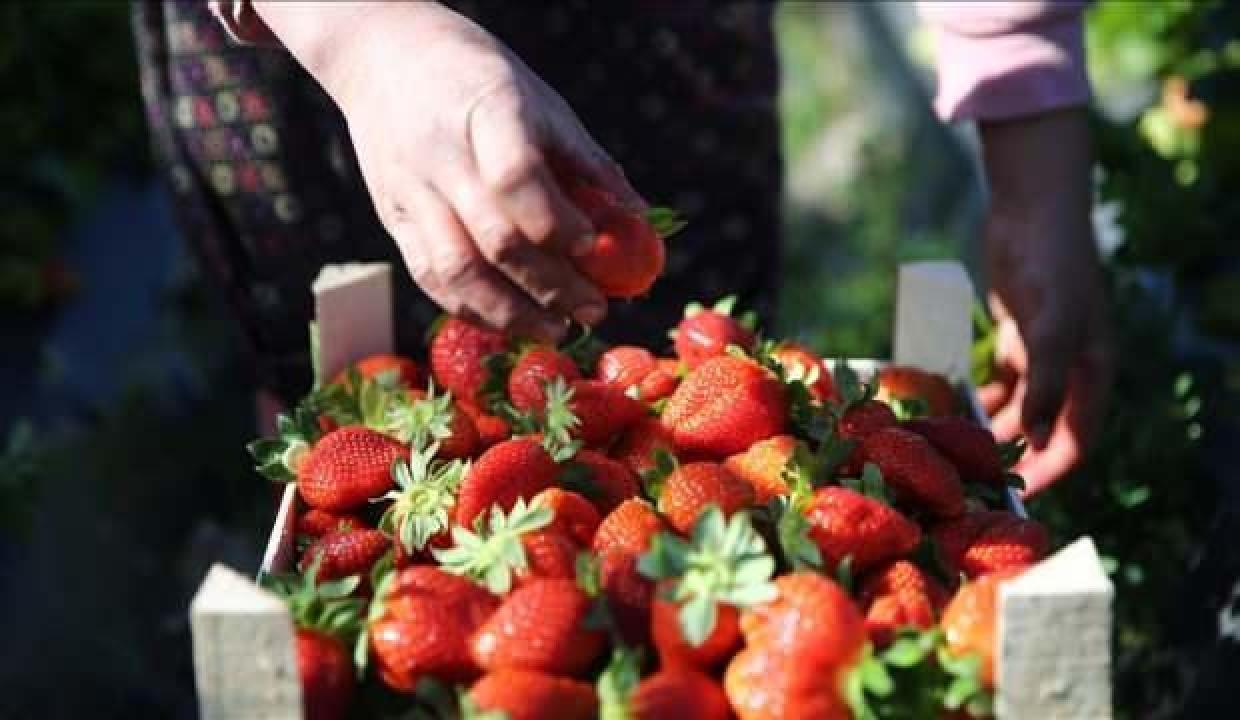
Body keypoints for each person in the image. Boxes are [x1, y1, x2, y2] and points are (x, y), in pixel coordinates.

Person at [131, 0, 1111, 494]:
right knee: (363, 413)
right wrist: (356, 30)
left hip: (656, 38)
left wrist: (1031, 145)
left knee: (687, 379)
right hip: (310, 55)